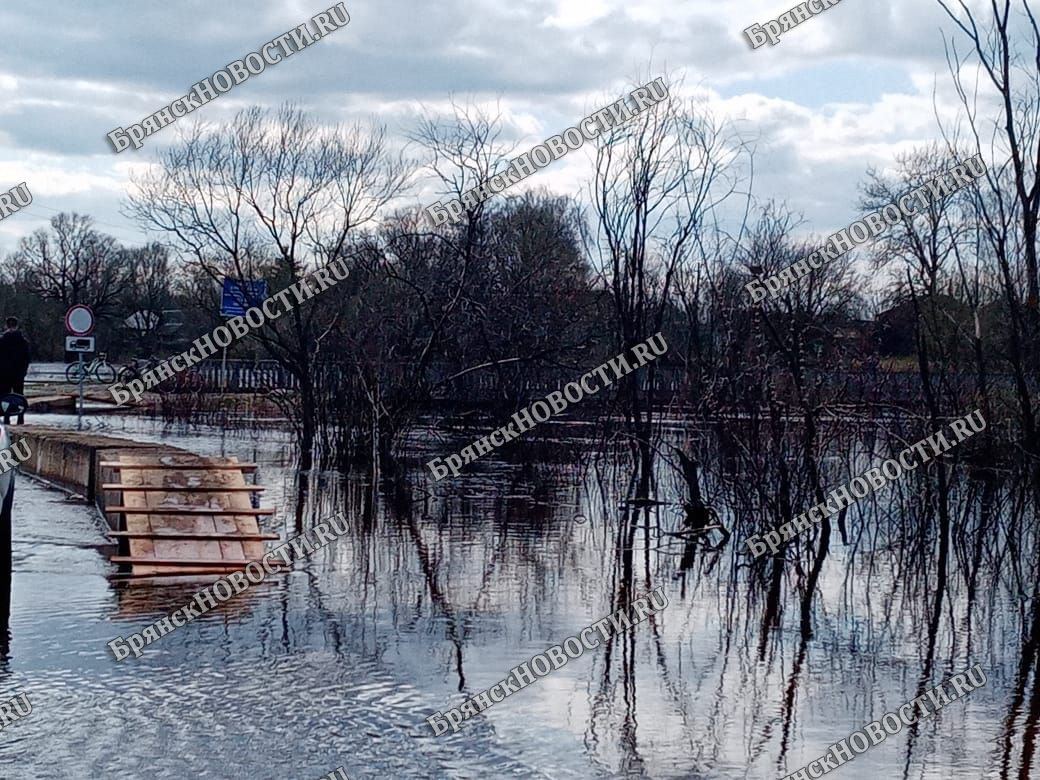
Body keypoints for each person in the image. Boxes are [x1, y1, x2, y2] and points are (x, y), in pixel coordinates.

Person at [0, 318, 30, 397]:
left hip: (4, 373)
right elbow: (27, 359)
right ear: (17, 326)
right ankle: (18, 408)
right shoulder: (23, 341)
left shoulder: (2, 340)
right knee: (19, 395)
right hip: (18, 373)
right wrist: (23, 371)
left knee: (4, 396)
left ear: (6, 326)